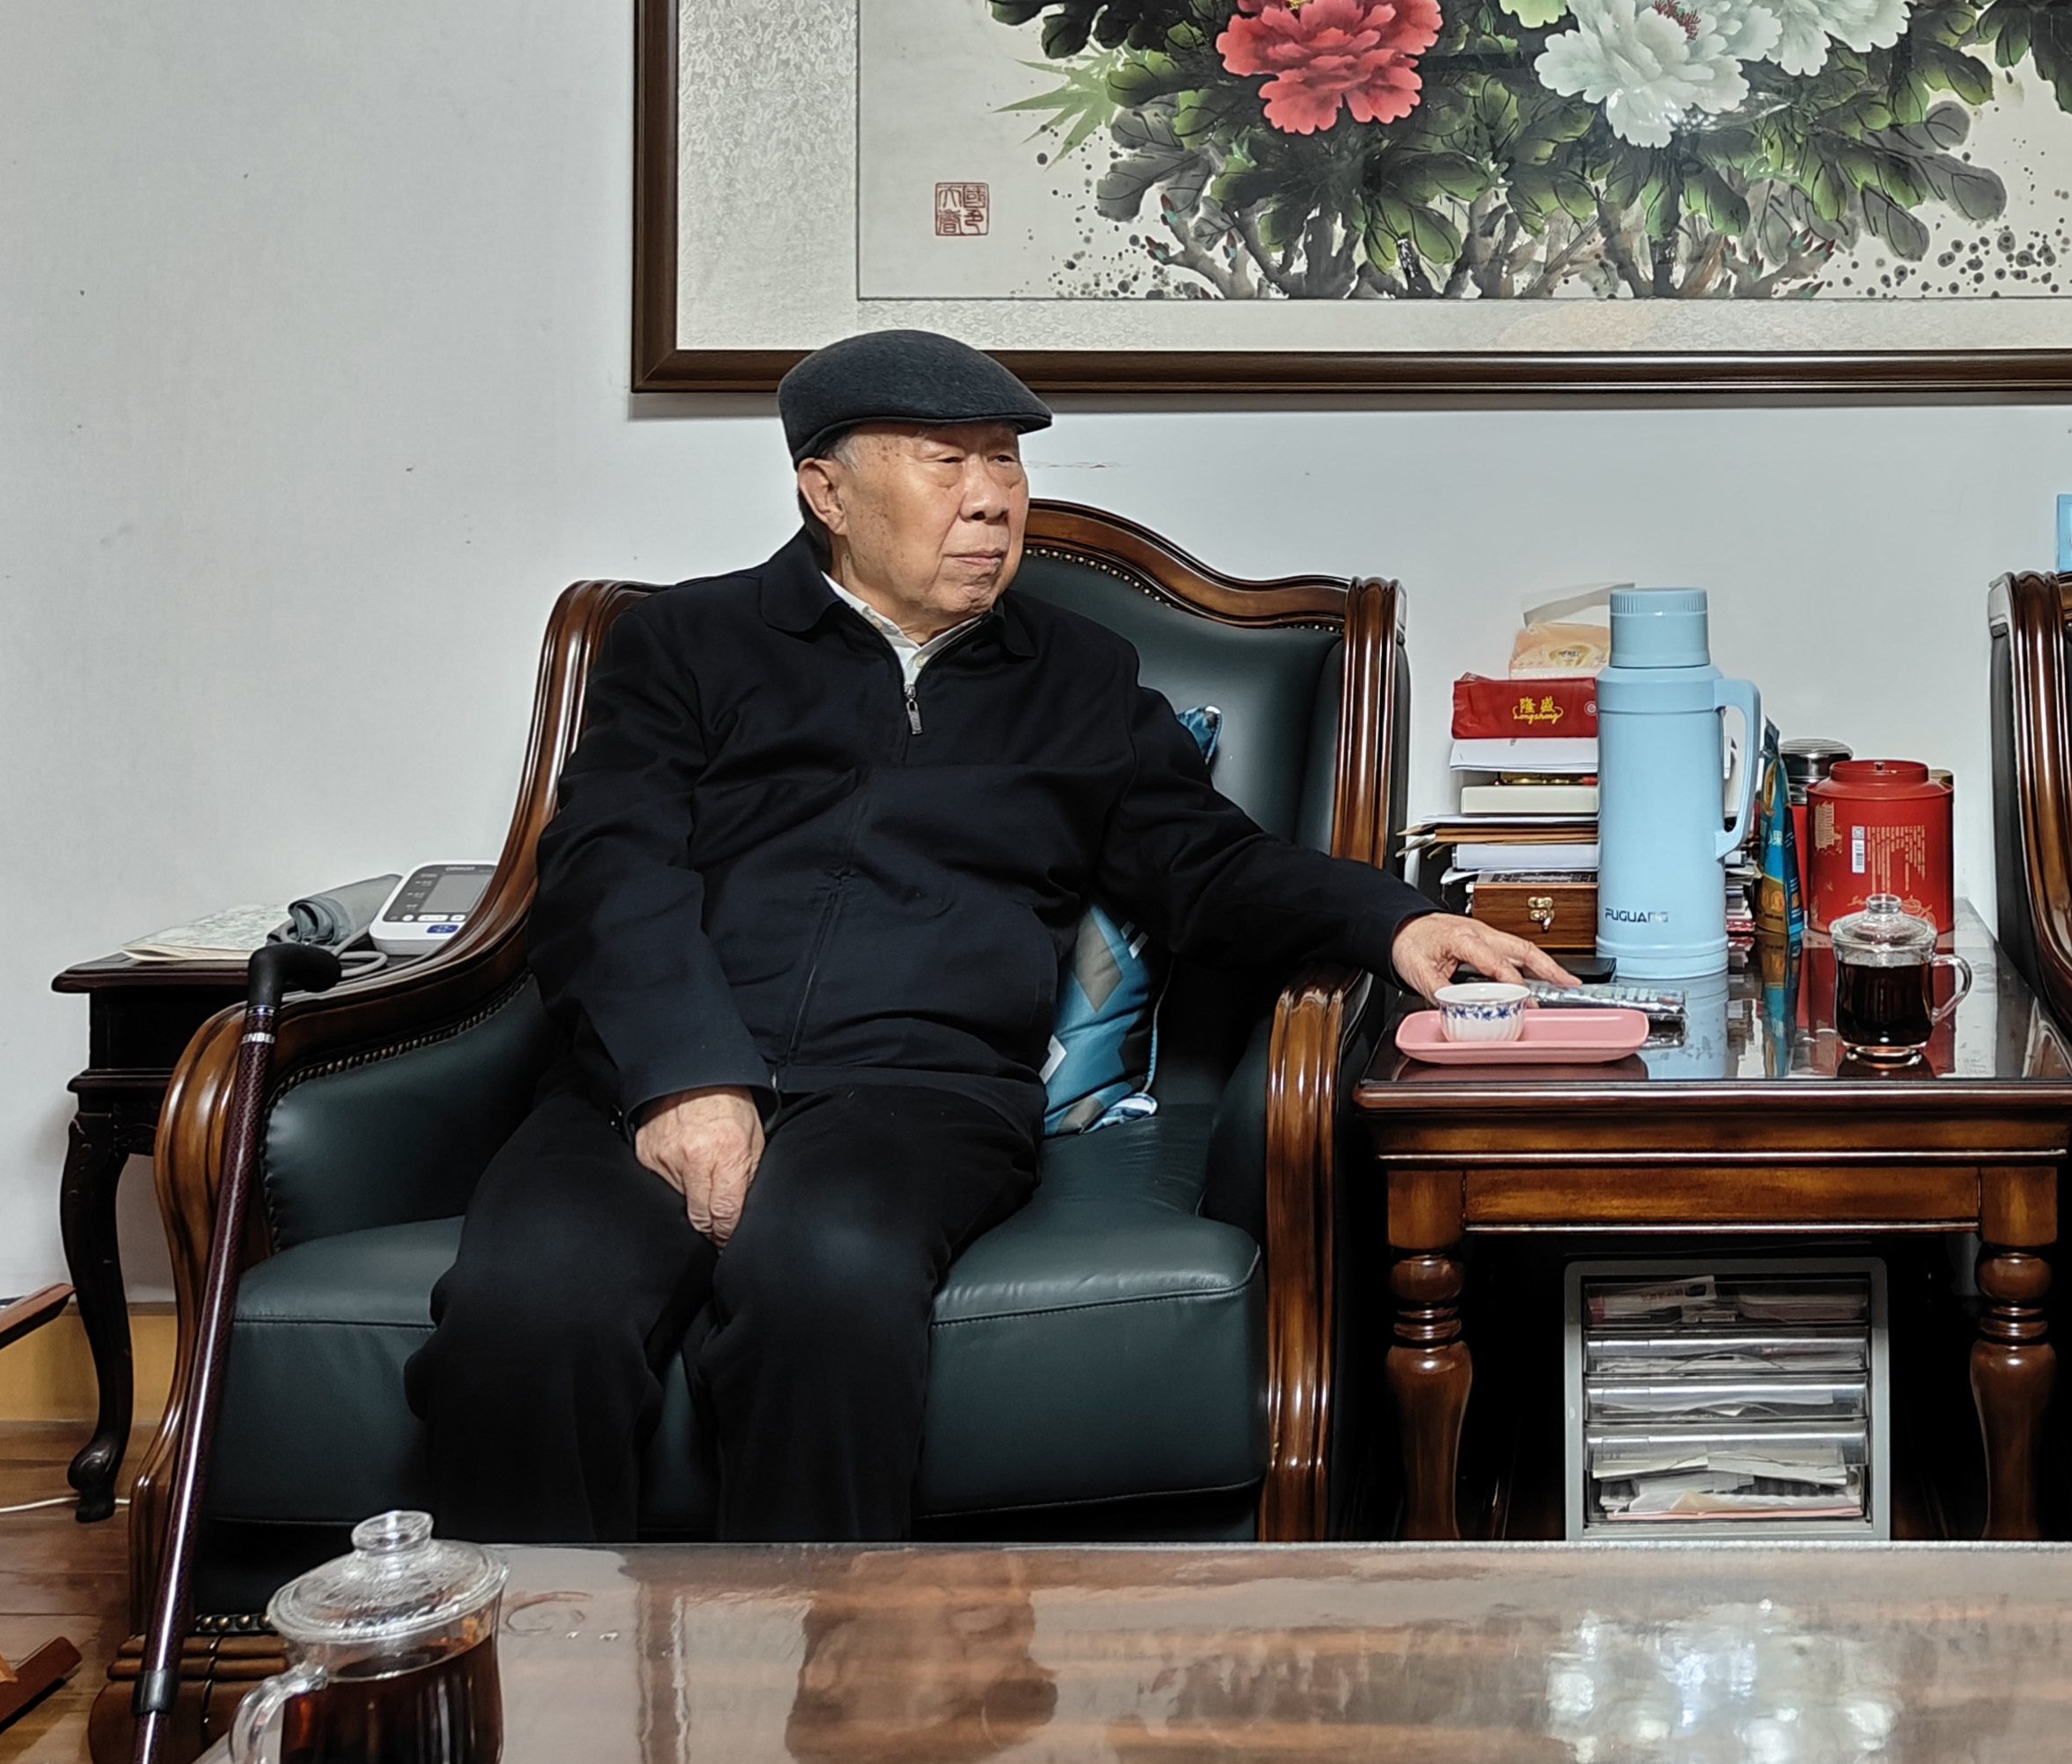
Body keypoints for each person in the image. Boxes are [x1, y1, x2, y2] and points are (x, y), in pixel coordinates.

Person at [405, 328, 1567, 1542]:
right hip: (644, 1080)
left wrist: (1398, 920)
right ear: (826, 490)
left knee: (827, 1286)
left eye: (1005, 460)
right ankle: (533, 1669)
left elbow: (1206, 863)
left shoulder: (1076, 677)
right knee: (530, 1315)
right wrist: (688, 1080)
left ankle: (813, 1664)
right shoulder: (684, 647)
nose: (992, 498)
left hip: (914, 1095)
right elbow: (609, 870)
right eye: (945, 460)